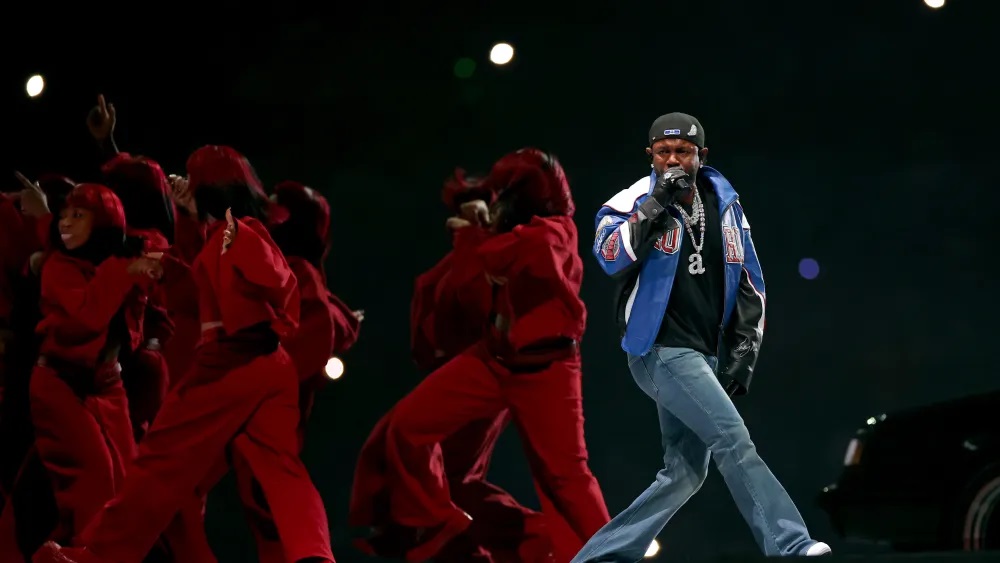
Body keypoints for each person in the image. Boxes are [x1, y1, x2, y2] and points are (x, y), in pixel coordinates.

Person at [33, 145, 333, 563]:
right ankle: (312, 554)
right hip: (265, 364)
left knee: (158, 462)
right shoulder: (225, 231)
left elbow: (276, 284)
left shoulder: (236, 231)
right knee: (280, 469)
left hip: (232, 360)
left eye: (191, 178)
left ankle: (100, 555)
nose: (183, 185)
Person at [574, 113, 831, 561]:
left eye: (683, 151)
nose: (673, 159)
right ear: (650, 155)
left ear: (701, 155)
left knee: (685, 472)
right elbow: (610, 258)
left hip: (704, 350)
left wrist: (743, 354)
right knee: (734, 440)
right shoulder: (629, 201)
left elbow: (751, 280)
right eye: (663, 151)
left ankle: (597, 558)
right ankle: (789, 544)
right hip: (660, 349)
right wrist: (655, 204)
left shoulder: (726, 202)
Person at [380, 149, 610, 562]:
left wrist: (473, 232)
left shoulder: (555, 233)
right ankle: (444, 530)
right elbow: (474, 277)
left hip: (547, 372)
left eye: (501, 196)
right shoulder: (510, 232)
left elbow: (510, 255)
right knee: (408, 426)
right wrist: (477, 226)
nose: (495, 204)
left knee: (566, 479)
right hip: (493, 361)